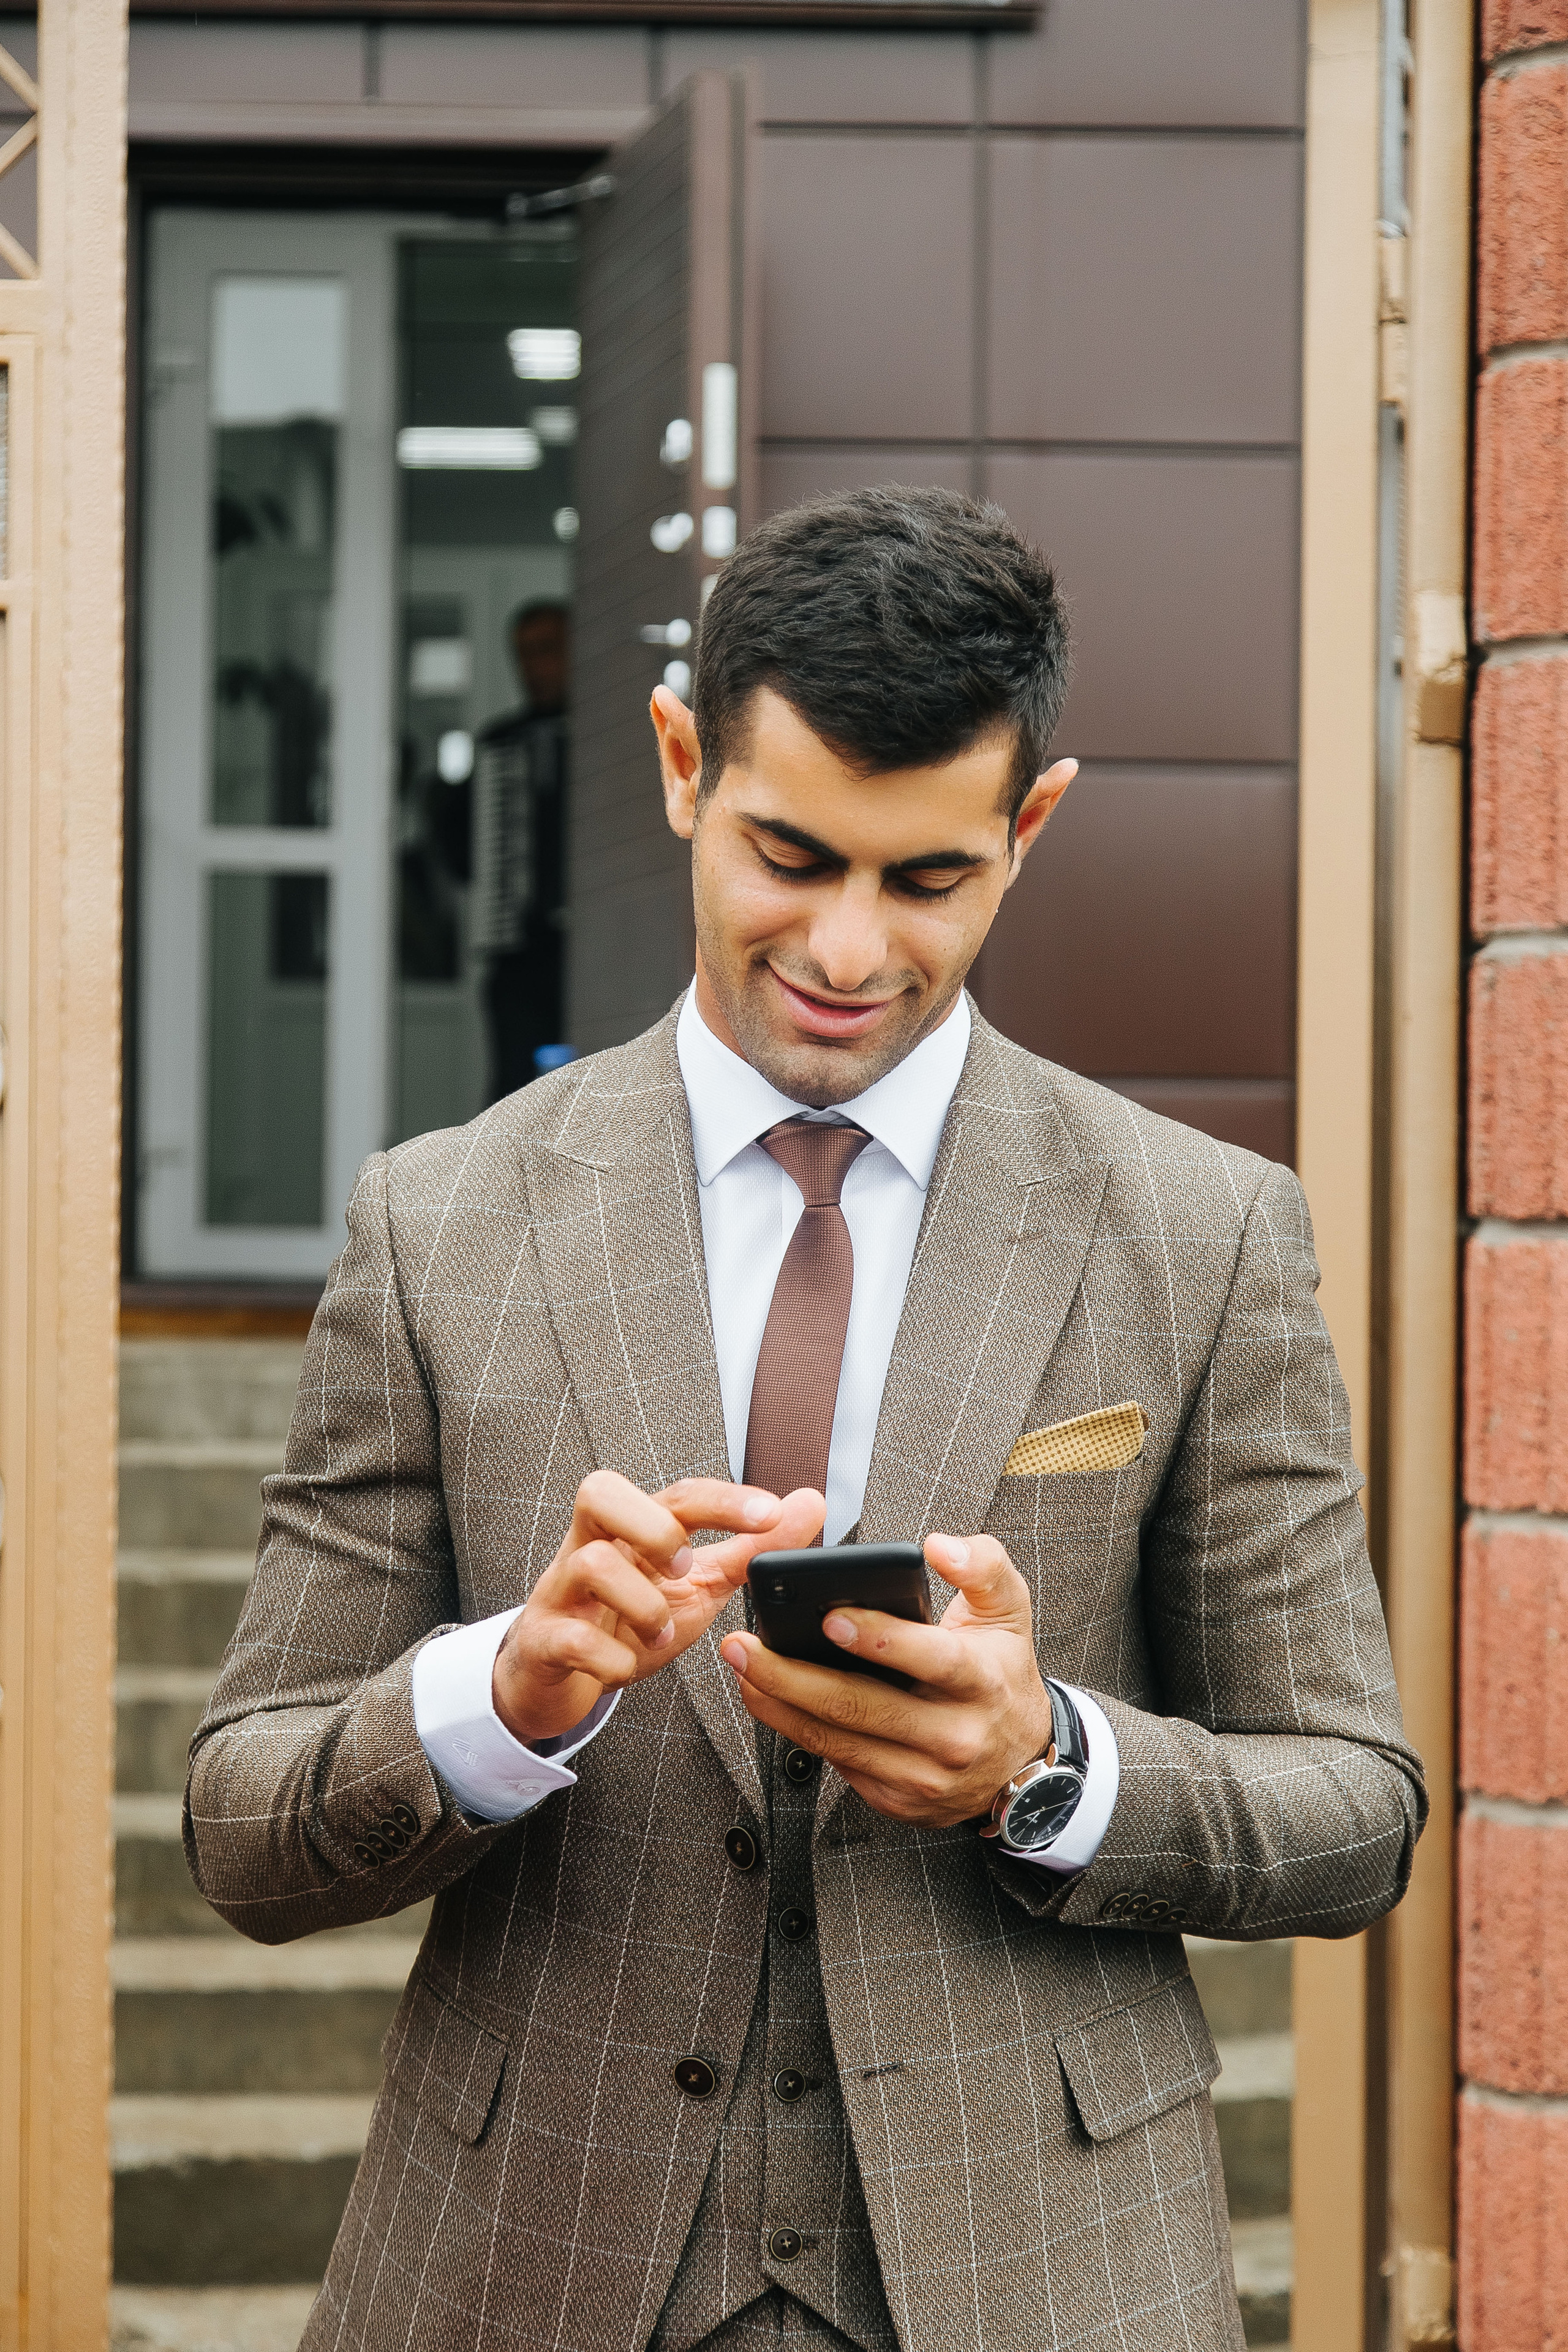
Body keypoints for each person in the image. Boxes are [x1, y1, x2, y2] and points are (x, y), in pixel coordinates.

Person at [185, 488, 1425, 2352]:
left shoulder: (1202, 1230)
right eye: (790, 853)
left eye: (925, 879)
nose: (847, 947)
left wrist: (1053, 1758)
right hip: (530, 2256)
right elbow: (243, 1824)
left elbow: (1353, 1809)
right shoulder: (436, 1220)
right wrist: (498, 1693)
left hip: (1043, 2272)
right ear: (683, 763)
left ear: (1031, 823)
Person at [469, 598, 570, 1098]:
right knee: (511, 1090)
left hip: (587, 950)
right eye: (523, 654)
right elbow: (466, 851)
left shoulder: (612, 738)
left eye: (547, 650)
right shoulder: (502, 745)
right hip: (522, 952)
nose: (533, 666)